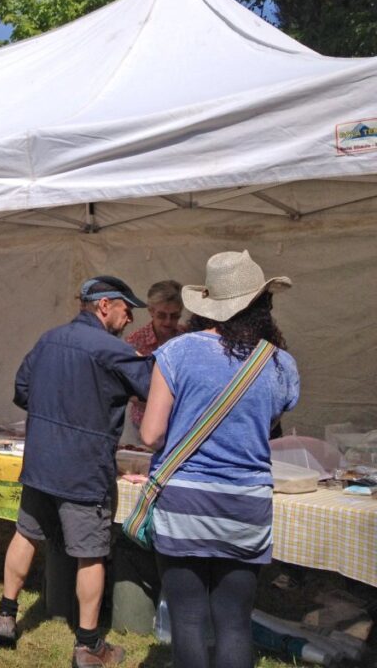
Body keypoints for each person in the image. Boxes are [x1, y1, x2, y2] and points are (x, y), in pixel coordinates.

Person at [139, 251, 299, 668]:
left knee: (188, 619)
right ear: (262, 305)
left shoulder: (177, 352)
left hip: (184, 503)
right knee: (234, 621)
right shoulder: (279, 363)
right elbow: (268, 425)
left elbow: (152, 434)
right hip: (246, 504)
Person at [0, 275, 152, 667]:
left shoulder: (48, 339)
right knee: (91, 554)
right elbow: (153, 387)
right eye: (125, 307)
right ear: (103, 306)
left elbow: (21, 388)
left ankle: (6, 615)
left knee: (26, 534)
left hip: (41, 463)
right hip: (83, 470)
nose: (130, 317)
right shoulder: (113, 350)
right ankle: (89, 646)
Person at [122, 280, 184, 437]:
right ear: (151, 311)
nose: (168, 322)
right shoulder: (135, 341)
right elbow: (128, 389)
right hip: (143, 423)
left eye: (175, 316)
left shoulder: (187, 337)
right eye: (162, 315)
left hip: (180, 423)